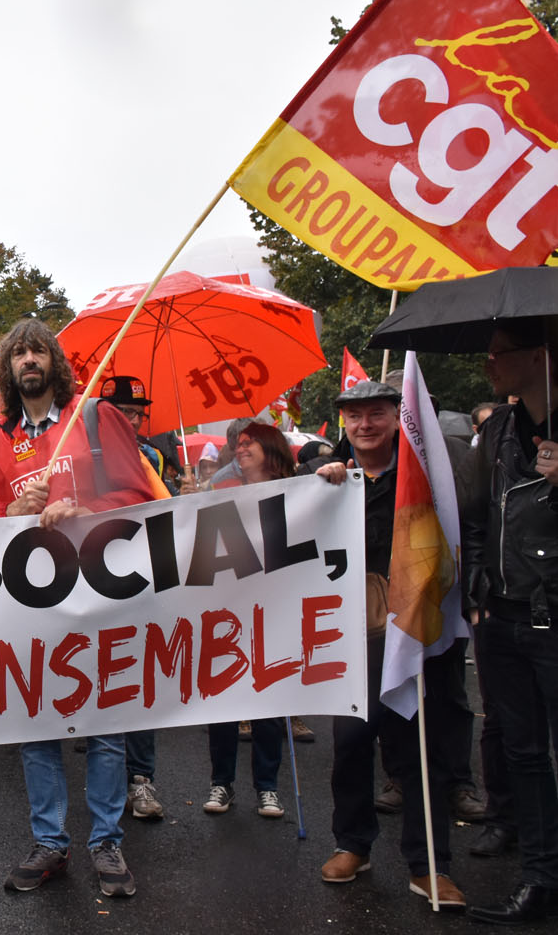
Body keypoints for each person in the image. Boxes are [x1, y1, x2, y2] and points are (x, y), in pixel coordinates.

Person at [0, 317, 158, 899]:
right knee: (37, 729)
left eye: (38, 351)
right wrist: (11, 513)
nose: (29, 360)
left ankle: (106, 842)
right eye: (18, 352)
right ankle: (50, 842)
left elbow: (139, 498)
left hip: (97, 598)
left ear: (55, 362)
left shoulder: (97, 418)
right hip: (31, 607)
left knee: (102, 728)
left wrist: (84, 506)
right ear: (7, 368)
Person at [315, 382, 466, 909]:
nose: (364, 425)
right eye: (353, 416)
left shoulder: (422, 480)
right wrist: (324, 484)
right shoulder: (326, 480)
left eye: (376, 413)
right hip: (350, 632)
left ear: (394, 417)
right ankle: (353, 844)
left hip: (412, 628)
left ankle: (429, 864)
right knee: (352, 742)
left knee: (417, 746)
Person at [459, 321, 558, 924]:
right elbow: (473, 514)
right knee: (522, 753)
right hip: (501, 616)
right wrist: (477, 586)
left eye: (502, 353)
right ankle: (540, 876)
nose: (491, 363)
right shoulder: (495, 429)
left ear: (540, 356)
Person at [199, 423, 294, 821]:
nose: (240, 449)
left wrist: (335, 475)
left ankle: (267, 787)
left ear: (271, 448)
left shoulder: (302, 491)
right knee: (223, 699)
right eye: (236, 444)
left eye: (248, 442)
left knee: (269, 703)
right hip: (228, 608)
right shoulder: (220, 490)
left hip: (275, 607)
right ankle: (221, 782)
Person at [97, 375, 170, 821]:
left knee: (136, 682)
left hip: (138, 580)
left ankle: (141, 780)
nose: (131, 419)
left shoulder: (152, 456)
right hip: (90, 583)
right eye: (121, 411)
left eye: (137, 412)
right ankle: (105, 782)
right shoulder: (81, 453)